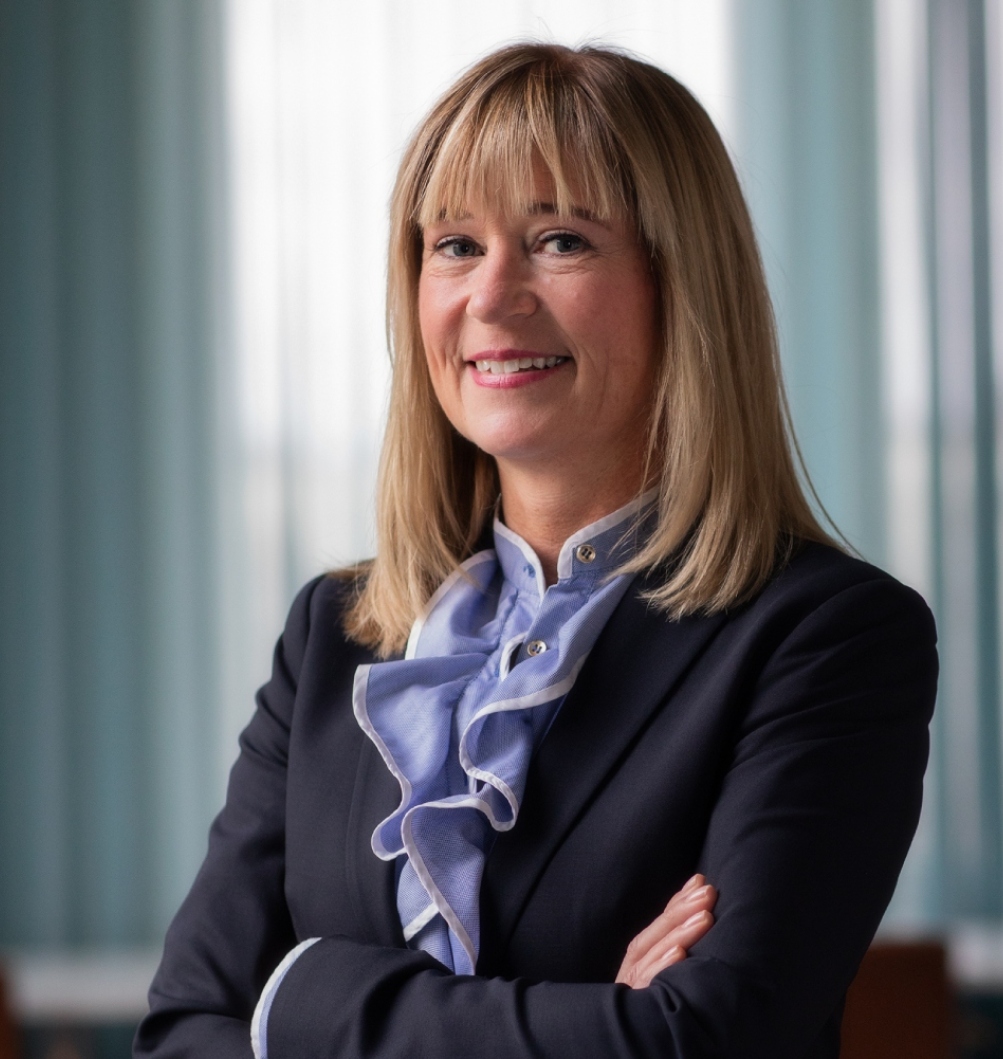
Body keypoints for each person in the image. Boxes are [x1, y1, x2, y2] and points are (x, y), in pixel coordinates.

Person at [134, 42, 937, 1059]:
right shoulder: (334, 636)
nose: (491, 295)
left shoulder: (827, 636)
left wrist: (301, 999)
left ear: (680, 282)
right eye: (455, 245)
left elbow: (705, 1040)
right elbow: (178, 1035)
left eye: (559, 240)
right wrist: (596, 1017)